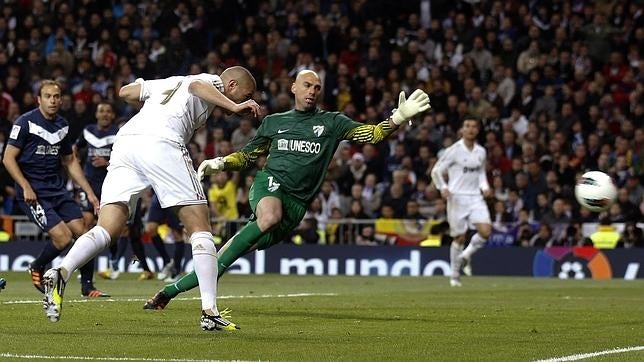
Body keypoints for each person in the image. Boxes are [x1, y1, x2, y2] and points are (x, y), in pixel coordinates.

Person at [144, 69, 430, 310]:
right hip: (270, 185)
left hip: (295, 207)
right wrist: (218, 163)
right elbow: (247, 156)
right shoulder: (274, 122)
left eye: (317, 87)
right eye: (307, 85)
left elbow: (373, 134)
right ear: (294, 88)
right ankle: (206, 305)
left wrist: (398, 119)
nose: (312, 91)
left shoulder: (332, 123)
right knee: (269, 215)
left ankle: (168, 292)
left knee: (223, 258)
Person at [40, 66, 261, 332]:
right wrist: (234, 107)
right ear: (232, 84)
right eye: (245, 96)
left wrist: (155, 98)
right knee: (200, 228)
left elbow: (126, 91)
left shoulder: (168, 81)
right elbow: (197, 87)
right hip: (162, 142)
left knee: (107, 228)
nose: (246, 104)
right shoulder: (210, 82)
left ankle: (62, 270)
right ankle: (209, 311)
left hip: (127, 143)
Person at [2, 80, 109, 297]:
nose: (53, 100)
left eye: (56, 96)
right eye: (48, 96)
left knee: (85, 234)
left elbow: (70, 161)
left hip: (57, 190)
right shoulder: (25, 123)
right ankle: (37, 266)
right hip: (33, 193)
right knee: (62, 238)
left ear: (61, 99)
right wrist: (25, 187)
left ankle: (87, 286)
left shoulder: (62, 125)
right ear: (38, 99)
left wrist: (90, 193)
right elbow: (8, 158)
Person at [430, 116, 492, 287]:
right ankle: (455, 275)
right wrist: (442, 187)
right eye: (467, 126)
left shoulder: (481, 151)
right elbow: (436, 171)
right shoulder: (453, 150)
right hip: (456, 197)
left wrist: (485, 186)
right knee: (459, 237)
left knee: (486, 231)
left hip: (475, 197)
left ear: (478, 130)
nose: (471, 129)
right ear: (462, 130)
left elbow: (481, 173)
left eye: (474, 126)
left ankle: (466, 255)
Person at [145, 193, 185, 282]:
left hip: (174, 195)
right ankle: (166, 260)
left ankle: (176, 271)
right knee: (150, 229)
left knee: (177, 235)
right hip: (158, 195)